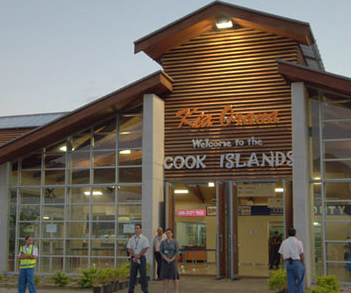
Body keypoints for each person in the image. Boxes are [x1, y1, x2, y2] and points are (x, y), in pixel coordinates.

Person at [278, 228, 305, 293]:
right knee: (300, 280)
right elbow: (301, 254)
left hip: (288, 262)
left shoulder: (284, 242)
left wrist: (284, 262)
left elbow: (281, 254)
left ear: (287, 234)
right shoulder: (298, 242)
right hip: (297, 262)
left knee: (290, 282)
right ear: (295, 234)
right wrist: (303, 263)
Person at [126, 224, 150, 293]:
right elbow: (129, 248)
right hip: (134, 258)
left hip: (141, 258)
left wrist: (139, 255)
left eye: (138, 228)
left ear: (140, 229)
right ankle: (131, 290)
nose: (136, 230)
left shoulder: (144, 238)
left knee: (143, 274)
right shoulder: (131, 239)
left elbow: (146, 248)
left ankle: (145, 290)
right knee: (132, 275)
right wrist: (134, 255)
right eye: (135, 228)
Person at [159, 228, 180, 293]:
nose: (168, 234)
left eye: (169, 233)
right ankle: (166, 291)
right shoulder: (163, 242)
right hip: (165, 261)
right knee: (165, 276)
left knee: (174, 276)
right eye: (167, 233)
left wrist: (172, 259)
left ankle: (176, 291)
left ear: (172, 234)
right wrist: (166, 259)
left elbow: (176, 252)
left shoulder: (175, 242)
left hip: (173, 261)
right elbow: (161, 251)